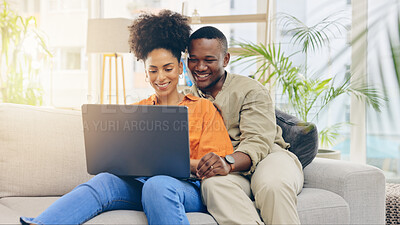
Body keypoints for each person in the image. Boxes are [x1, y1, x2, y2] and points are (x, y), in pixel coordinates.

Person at [20, 11, 233, 225]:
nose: (160, 77)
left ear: (179, 68)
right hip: (140, 185)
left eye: (167, 68)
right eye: (153, 70)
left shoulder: (204, 108)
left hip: (185, 190)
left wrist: (173, 165)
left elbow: (214, 166)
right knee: (104, 181)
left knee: (157, 184)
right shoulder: (135, 111)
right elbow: (119, 159)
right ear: (145, 72)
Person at [183, 26, 304, 225]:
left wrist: (227, 162)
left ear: (225, 59)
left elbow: (258, 142)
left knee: (273, 186)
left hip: (269, 157)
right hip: (229, 171)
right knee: (212, 186)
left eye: (209, 60)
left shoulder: (250, 90)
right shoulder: (187, 99)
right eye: (193, 59)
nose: (200, 67)